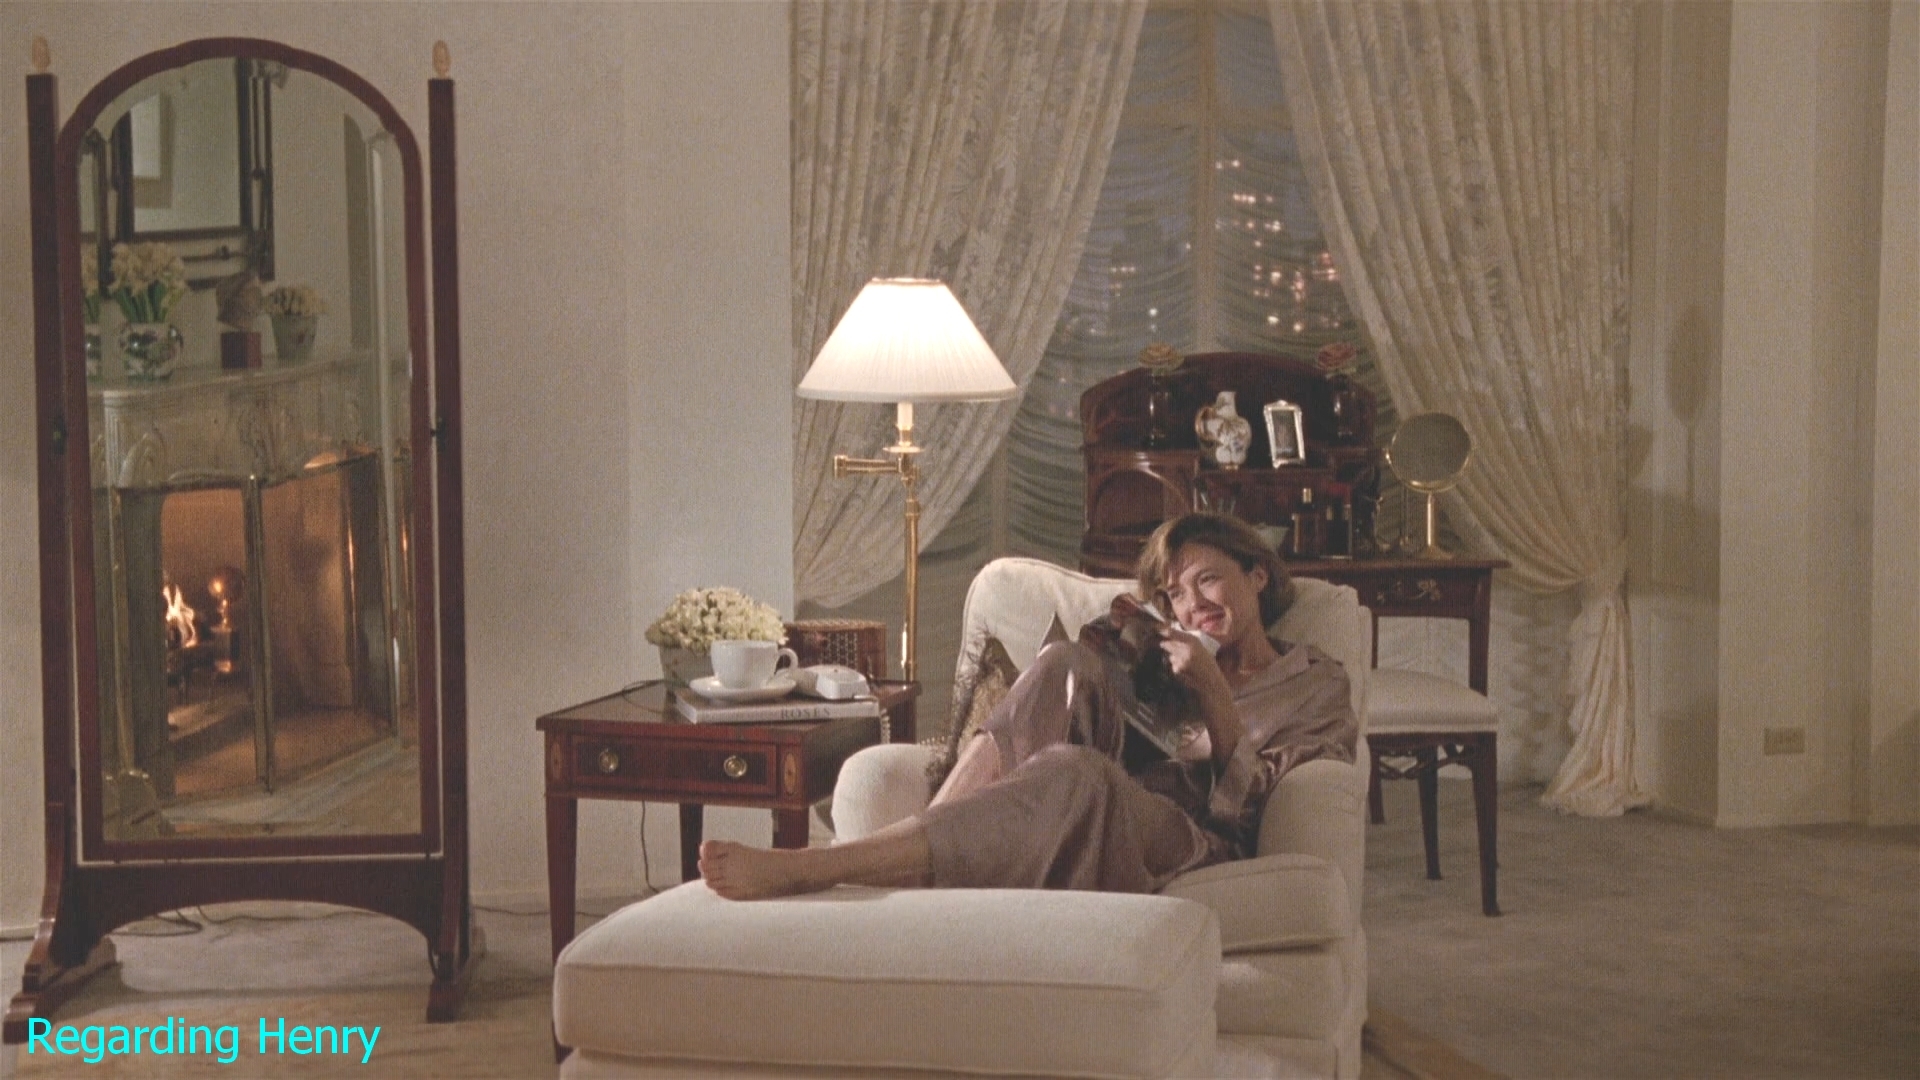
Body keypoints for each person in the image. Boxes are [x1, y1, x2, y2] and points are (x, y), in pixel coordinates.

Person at [699, 512, 1357, 900]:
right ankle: (924, 842)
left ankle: (825, 866)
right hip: (1087, 801)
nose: (1193, 605)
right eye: (1176, 594)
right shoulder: (1170, 661)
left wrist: (1212, 690)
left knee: (1079, 770)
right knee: (1067, 662)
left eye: (1208, 579)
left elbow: (1243, 816)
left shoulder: (1316, 682)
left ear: (1257, 575)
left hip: (1189, 834)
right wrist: (1122, 654)